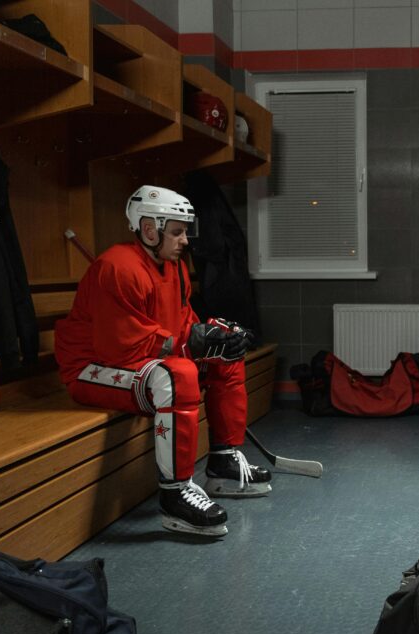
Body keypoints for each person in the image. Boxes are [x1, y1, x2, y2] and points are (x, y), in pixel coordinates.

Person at [54, 185, 271, 537]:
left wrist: (216, 335)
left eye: (185, 231)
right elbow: (121, 349)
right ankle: (175, 495)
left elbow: (181, 325)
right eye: (177, 232)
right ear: (149, 228)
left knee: (226, 359)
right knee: (177, 375)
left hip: (136, 360)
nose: (186, 240)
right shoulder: (117, 267)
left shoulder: (175, 267)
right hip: (92, 368)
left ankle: (222, 462)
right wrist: (193, 342)